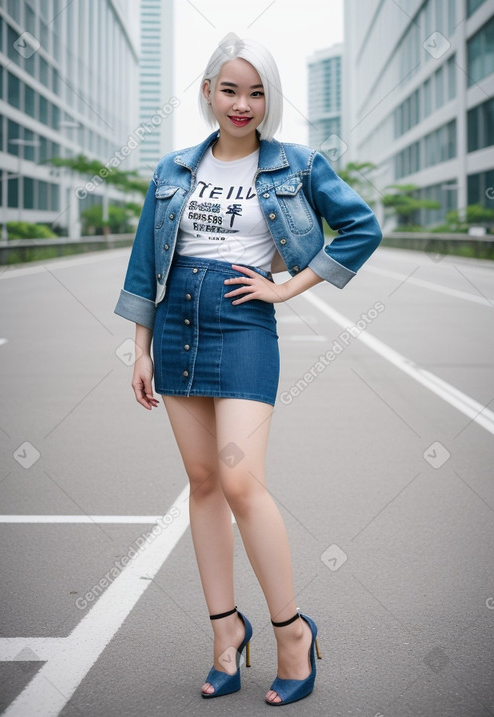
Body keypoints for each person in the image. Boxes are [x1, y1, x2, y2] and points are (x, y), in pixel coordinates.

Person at [115, 34, 382, 706]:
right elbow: (149, 259)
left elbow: (360, 227)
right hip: (175, 326)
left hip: (243, 327)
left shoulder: (295, 163)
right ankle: (225, 634)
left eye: (256, 91)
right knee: (203, 482)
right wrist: (140, 347)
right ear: (208, 91)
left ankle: (291, 631)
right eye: (230, 89)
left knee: (239, 478)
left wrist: (286, 288)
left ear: (270, 99)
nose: (242, 103)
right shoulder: (174, 168)